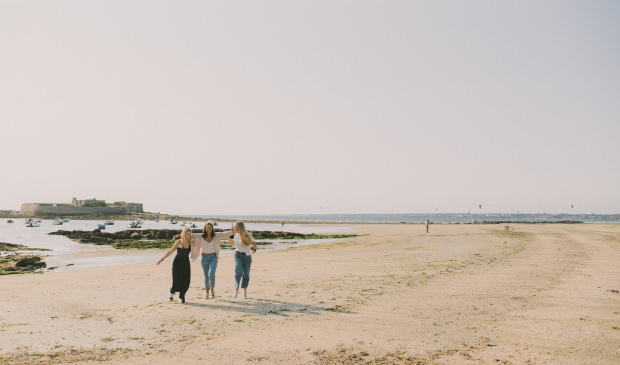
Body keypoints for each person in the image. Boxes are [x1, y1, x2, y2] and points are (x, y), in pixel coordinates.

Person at [183, 221, 233, 299]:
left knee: (211, 274)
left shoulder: (216, 235)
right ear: (205, 229)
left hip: (213, 257)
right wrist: (179, 235)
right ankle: (207, 292)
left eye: (210, 228)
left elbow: (226, 234)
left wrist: (235, 231)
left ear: (212, 229)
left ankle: (212, 290)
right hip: (204, 258)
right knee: (206, 276)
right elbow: (189, 235)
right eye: (207, 228)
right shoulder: (201, 236)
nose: (209, 229)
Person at [157, 227, 195, 304]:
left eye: (190, 234)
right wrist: (162, 259)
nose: (189, 236)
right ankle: (172, 291)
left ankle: (182, 296)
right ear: (184, 234)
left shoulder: (191, 242)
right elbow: (170, 251)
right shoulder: (179, 242)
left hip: (186, 263)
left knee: (186, 280)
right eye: (187, 234)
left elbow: (199, 236)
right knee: (177, 280)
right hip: (177, 263)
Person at [229, 221, 258, 299]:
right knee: (238, 272)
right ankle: (236, 290)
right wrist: (227, 237)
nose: (233, 228)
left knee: (246, 274)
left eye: (235, 226)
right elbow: (234, 244)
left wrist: (254, 249)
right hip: (237, 254)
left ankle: (244, 291)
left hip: (247, 256)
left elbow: (254, 244)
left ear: (239, 227)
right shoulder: (235, 234)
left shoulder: (247, 235)